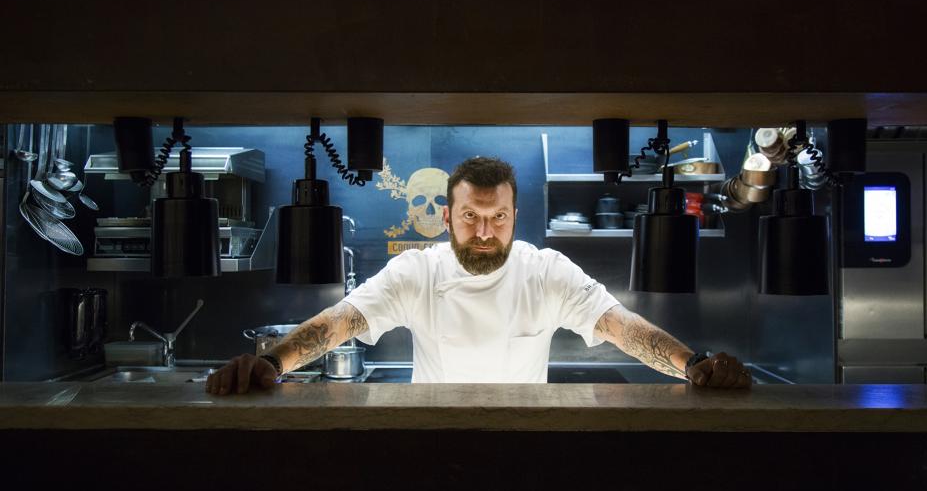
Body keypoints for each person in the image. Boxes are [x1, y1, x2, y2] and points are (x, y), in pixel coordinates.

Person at [206, 157, 751, 394]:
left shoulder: (545, 271)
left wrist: (693, 365)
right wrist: (271, 363)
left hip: (525, 447)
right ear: (447, 218)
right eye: (471, 217)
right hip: (433, 444)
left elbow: (620, 326)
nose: (485, 232)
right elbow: (341, 321)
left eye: (498, 219)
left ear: (515, 219)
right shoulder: (417, 271)